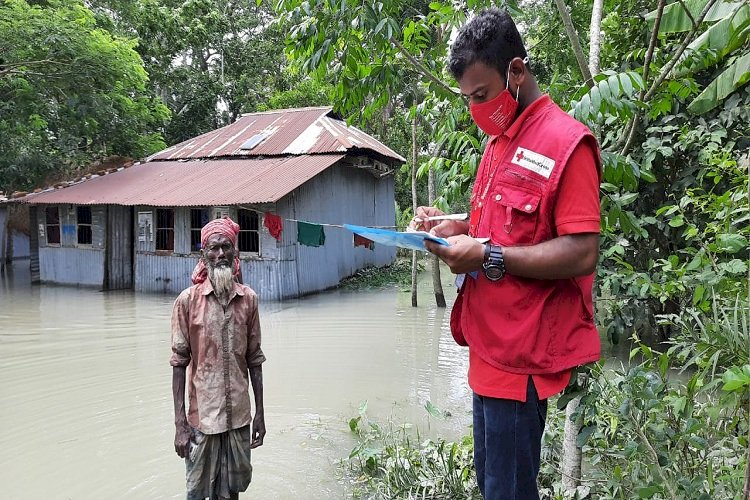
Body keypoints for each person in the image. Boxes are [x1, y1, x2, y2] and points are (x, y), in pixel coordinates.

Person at [415, 8, 602, 499]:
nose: (476, 109)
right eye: (468, 99)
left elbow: (582, 252)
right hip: (486, 348)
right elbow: (499, 225)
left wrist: (489, 256)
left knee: (510, 491)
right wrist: (457, 226)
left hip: (522, 355)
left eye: (482, 94)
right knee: (492, 485)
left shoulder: (567, 143)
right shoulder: (500, 142)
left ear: (516, 72)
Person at [170, 216, 266, 500]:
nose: (220, 253)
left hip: (238, 417)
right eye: (214, 248)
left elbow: (255, 360)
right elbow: (178, 364)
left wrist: (260, 413)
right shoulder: (187, 302)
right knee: (197, 493)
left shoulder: (248, 300)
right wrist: (180, 424)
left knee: (231, 493)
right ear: (203, 254)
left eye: (226, 247)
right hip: (202, 419)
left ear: (235, 252)